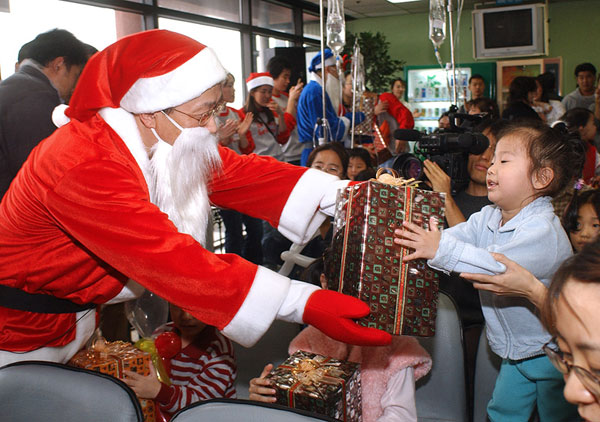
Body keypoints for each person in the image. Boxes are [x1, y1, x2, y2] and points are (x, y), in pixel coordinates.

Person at [0, 30, 391, 366]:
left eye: (218, 109)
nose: (212, 126)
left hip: (71, 318)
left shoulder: (161, 136)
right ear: (151, 111)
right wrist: (300, 301)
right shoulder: (82, 164)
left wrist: (347, 197)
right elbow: (173, 260)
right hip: (19, 333)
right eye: (204, 112)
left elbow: (238, 173)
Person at [396, 120, 582, 421]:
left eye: (504, 160)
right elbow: (460, 235)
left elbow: (493, 266)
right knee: (502, 413)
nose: (492, 168)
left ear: (541, 177)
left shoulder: (543, 231)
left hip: (553, 353)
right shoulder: (490, 216)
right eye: (493, 160)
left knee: (559, 415)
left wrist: (439, 249)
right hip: (516, 353)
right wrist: (428, 240)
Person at [248, 257, 432, 422]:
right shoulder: (306, 343)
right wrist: (270, 398)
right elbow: (299, 409)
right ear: (325, 283)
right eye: (349, 283)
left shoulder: (397, 348)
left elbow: (401, 416)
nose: (358, 295)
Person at [0, 28, 88, 200]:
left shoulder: (14, 86)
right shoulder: (36, 97)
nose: (74, 86)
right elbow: (43, 175)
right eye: (76, 75)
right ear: (59, 65)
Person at [124, 303, 236, 419]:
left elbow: (201, 406)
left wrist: (159, 392)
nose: (187, 316)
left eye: (195, 307)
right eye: (178, 306)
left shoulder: (219, 351)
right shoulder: (162, 333)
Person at [215, 73, 263, 264]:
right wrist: (221, 139)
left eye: (233, 85)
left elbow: (248, 148)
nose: (233, 90)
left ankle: (257, 267)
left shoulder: (238, 114)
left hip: (243, 178)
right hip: (224, 182)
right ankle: (233, 270)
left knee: (255, 227)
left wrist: (241, 135)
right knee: (233, 229)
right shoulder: (208, 116)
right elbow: (207, 152)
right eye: (228, 85)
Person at [297, 49, 360, 166]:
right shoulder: (314, 92)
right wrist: (350, 119)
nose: (339, 75)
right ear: (327, 69)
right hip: (315, 152)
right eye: (338, 70)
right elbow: (326, 129)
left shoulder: (317, 90)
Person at [241, 72, 295, 161]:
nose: (267, 95)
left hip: (278, 160)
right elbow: (244, 149)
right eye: (263, 91)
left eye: (270, 91)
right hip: (259, 163)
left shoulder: (272, 111)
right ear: (252, 93)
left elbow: (283, 139)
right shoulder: (242, 115)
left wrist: (281, 115)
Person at [267, 56, 304, 165]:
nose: (288, 81)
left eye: (289, 77)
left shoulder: (286, 97)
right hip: (286, 155)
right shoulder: (269, 102)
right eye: (285, 77)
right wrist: (292, 100)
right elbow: (286, 128)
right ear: (273, 76)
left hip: (299, 150)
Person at [561, 108, 599, 184]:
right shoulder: (562, 150)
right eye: (593, 123)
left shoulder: (591, 150)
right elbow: (576, 184)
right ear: (582, 129)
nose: (595, 127)